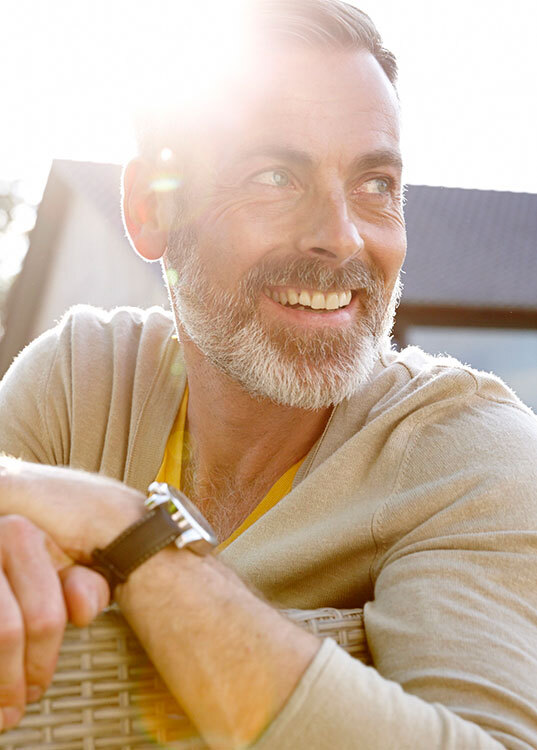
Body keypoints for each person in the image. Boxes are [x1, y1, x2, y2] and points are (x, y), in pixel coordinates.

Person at [0, 1, 537, 747]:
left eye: (375, 185)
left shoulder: (468, 454)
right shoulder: (83, 380)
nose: (341, 238)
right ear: (151, 208)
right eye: (276, 176)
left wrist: (132, 536)